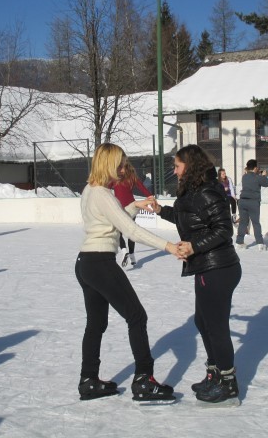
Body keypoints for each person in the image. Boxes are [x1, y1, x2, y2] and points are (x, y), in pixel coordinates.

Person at [75, 143, 181, 402]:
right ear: (109, 164)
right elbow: (129, 230)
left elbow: (113, 218)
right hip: (101, 262)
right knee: (137, 316)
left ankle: (88, 380)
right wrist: (169, 246)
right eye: (120, 165)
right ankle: (144, 380)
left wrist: (137, 205)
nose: (124, 170)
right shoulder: (103, 194)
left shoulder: (90, 190)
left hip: (85, 262)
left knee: (96, 324)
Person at [152, 145, 242, 404]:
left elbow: (224, 229)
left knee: (215, 326)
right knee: (204, 323)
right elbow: (186, 218)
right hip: (207, 266)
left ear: (189, 166)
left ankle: (228, 384)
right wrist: (160, 210)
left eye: (177, 165)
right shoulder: (194, 191)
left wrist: (194, 246)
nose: (175, 170)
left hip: (218, 267)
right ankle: (214, 374)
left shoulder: (207, 192)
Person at [113, 161, 153, 267]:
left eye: (121, 167)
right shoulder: (116, 178)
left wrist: (151, 197)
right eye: (119, 167)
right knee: (126, 232)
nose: (119, 169)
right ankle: (129, 255)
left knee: (122, 232)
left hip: (129, 208)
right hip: (126, 207)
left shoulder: (127, 178)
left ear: (126, 168)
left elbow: (142, 188)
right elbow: (105, 187)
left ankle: (127, 253)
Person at [235, 160, 268, 251]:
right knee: (256, 223)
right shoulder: (258, 177)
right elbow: (267, 184)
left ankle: (239, 242)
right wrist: (264, 175)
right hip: (253, 202)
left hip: (242, 201)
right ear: (255, 168)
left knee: (243, 222)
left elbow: (250, 177)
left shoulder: (244, 177)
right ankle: (260, 243)